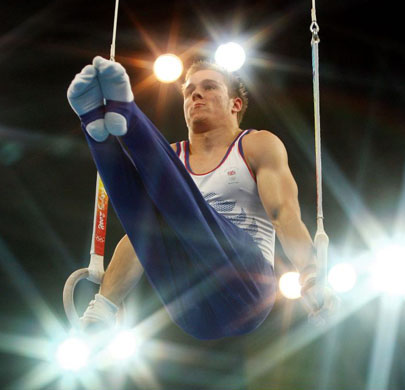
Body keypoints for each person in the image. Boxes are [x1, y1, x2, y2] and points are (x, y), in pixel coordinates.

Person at [67, 56, 323, 340]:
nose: (196, 94)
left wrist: (310, 273)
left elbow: (282, 213)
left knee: (181, 206)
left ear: (235, 104)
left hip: (246, 286)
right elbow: (137, 236)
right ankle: (95, 124)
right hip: (191, 313)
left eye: (210, 87)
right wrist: (103, 306)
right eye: (189, 91)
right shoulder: (172, 158)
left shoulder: (256, 144)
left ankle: (126, 113)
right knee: (146, 221)